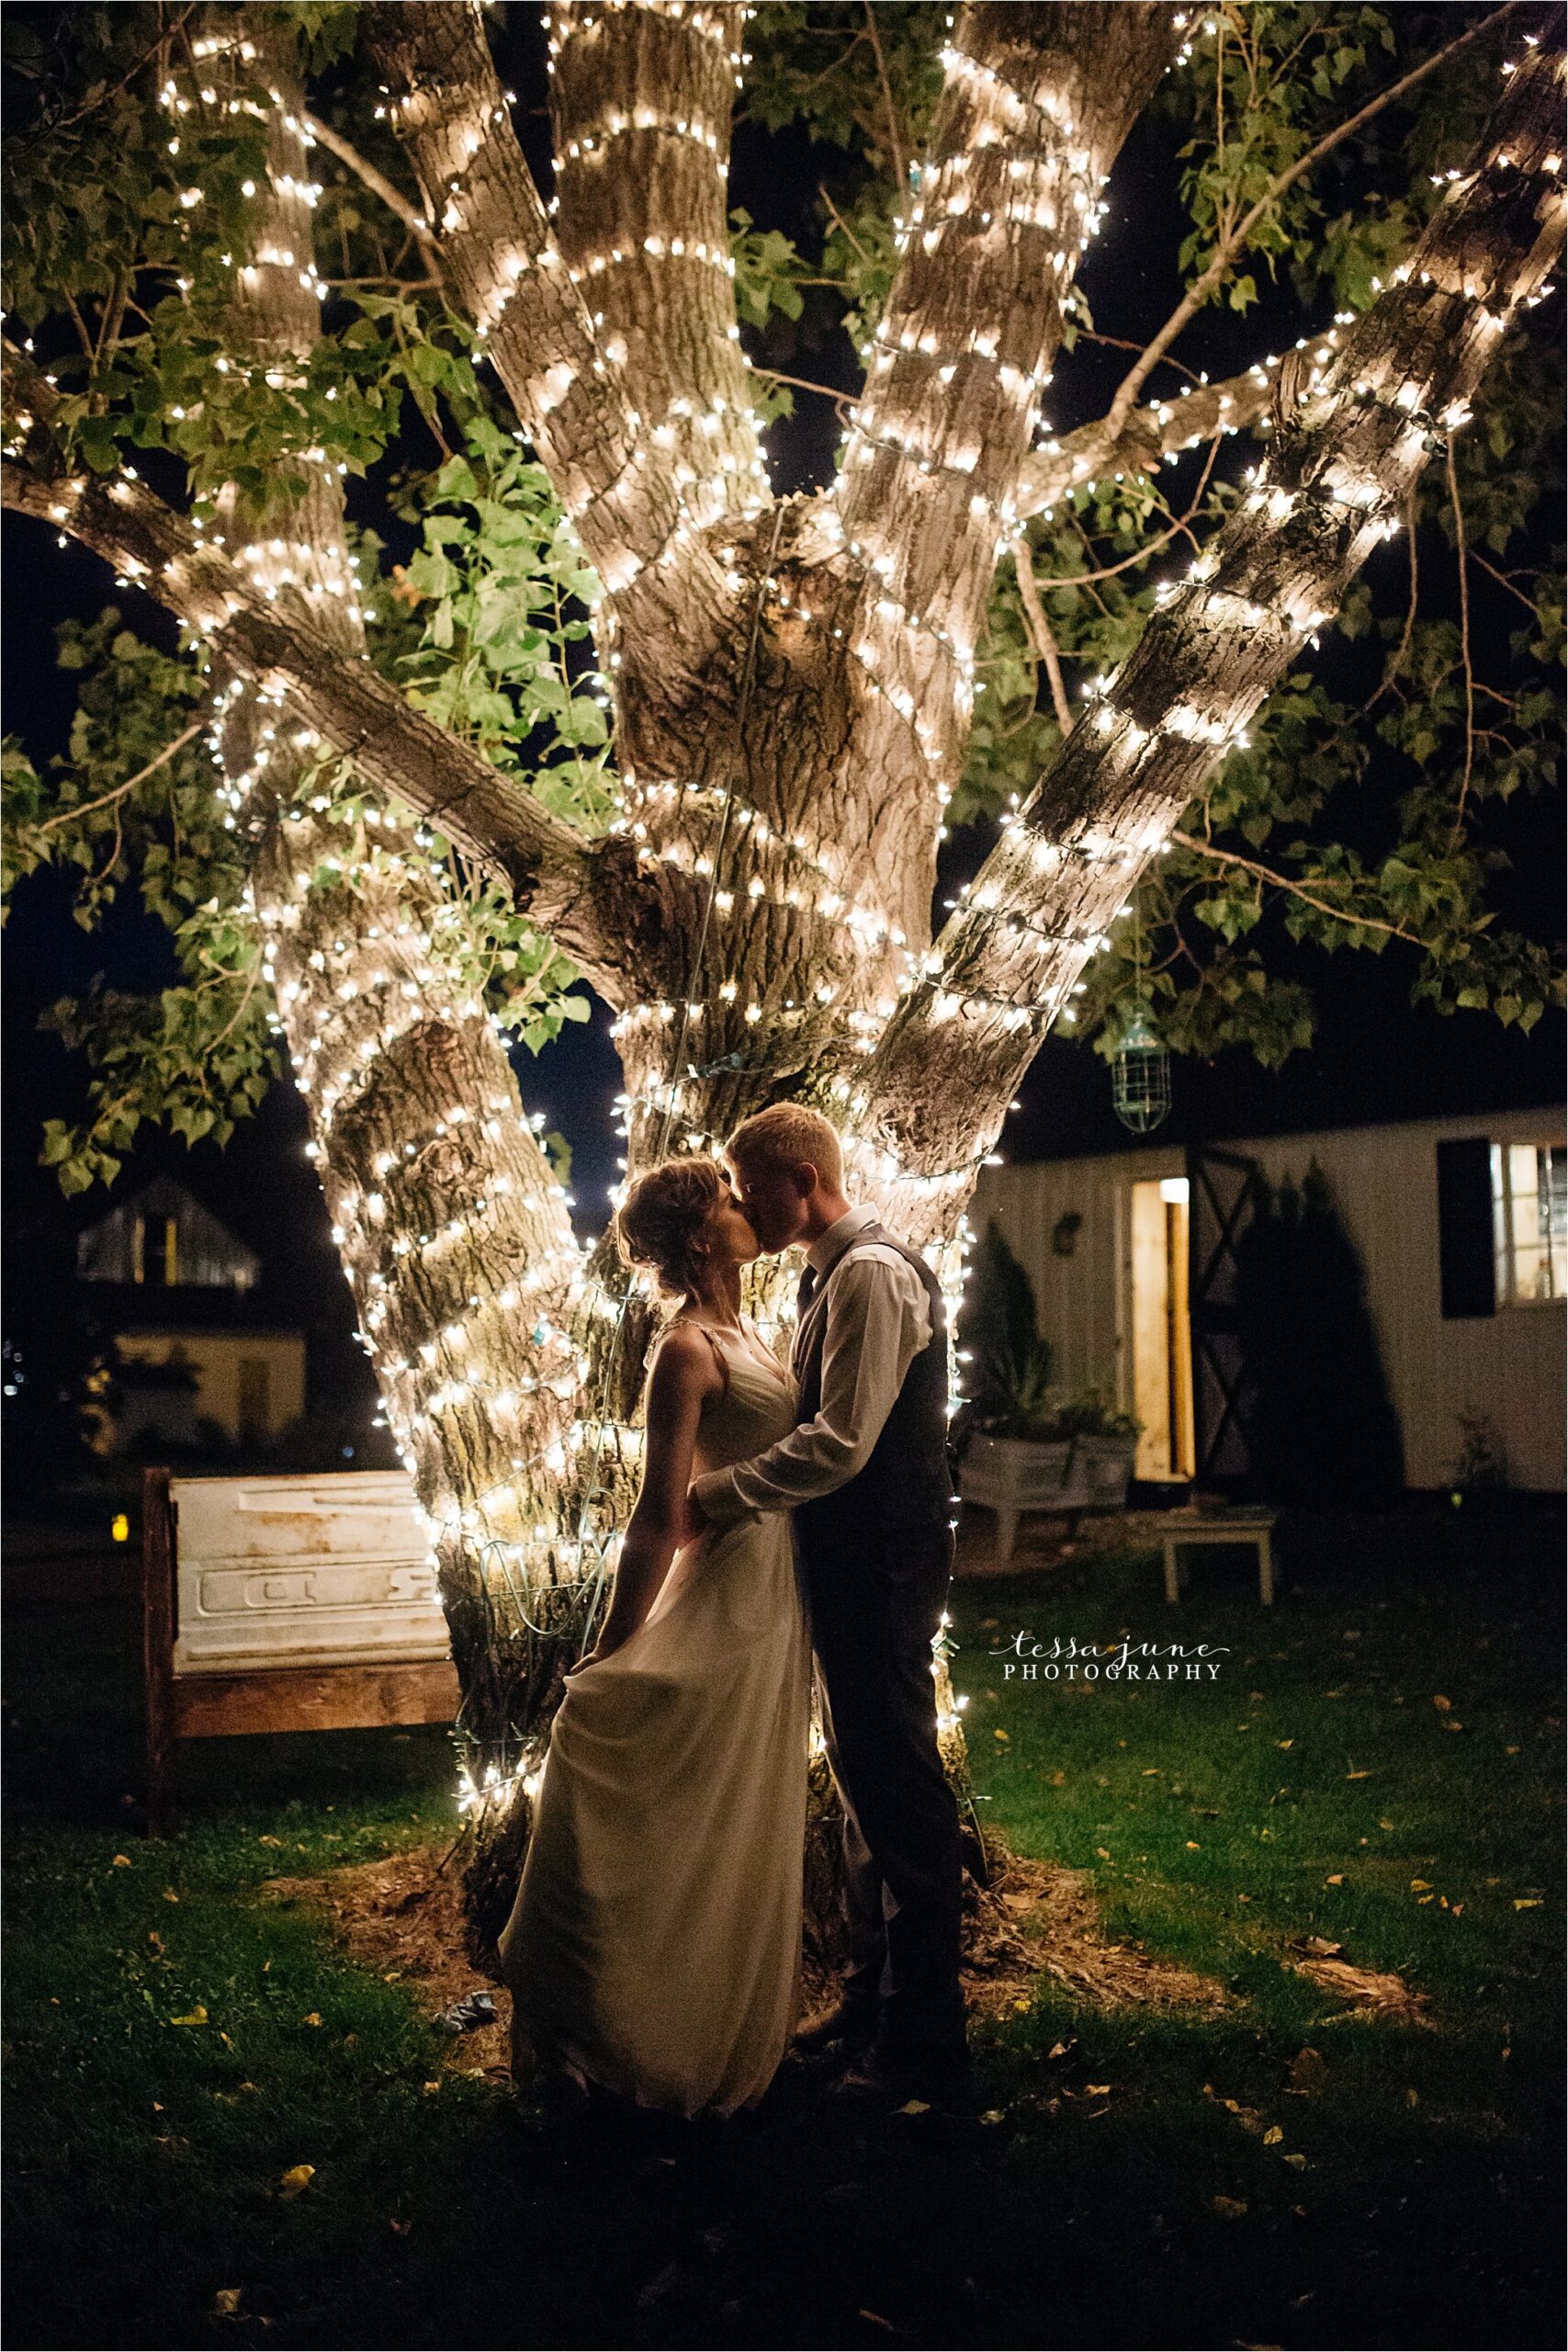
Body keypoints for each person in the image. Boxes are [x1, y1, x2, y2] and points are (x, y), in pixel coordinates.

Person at [498, 1155, 812, 2120]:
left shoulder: (754, 1328)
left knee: (738, 1818)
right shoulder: (684, 1352)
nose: (742, 1205)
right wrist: (611, 1648)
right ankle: (610, 2031)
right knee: (674, 1812)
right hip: (724, 1594)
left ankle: (707, 2016)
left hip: (776, 1600)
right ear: (694, 1237)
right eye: (725, 1199)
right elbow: (657, 1516)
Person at [687, 1104, 969, 2109]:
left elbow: (844, 1441)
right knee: (859, 1782)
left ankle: (924, 2038)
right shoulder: (823, 1277)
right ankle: (866, 1999)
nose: (742, 1205)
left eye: (751, 1185)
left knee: (896, 1785)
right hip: (849, 1561)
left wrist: (713, 1498)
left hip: (884, 1561)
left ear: (801, 1177)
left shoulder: (874, 1275)